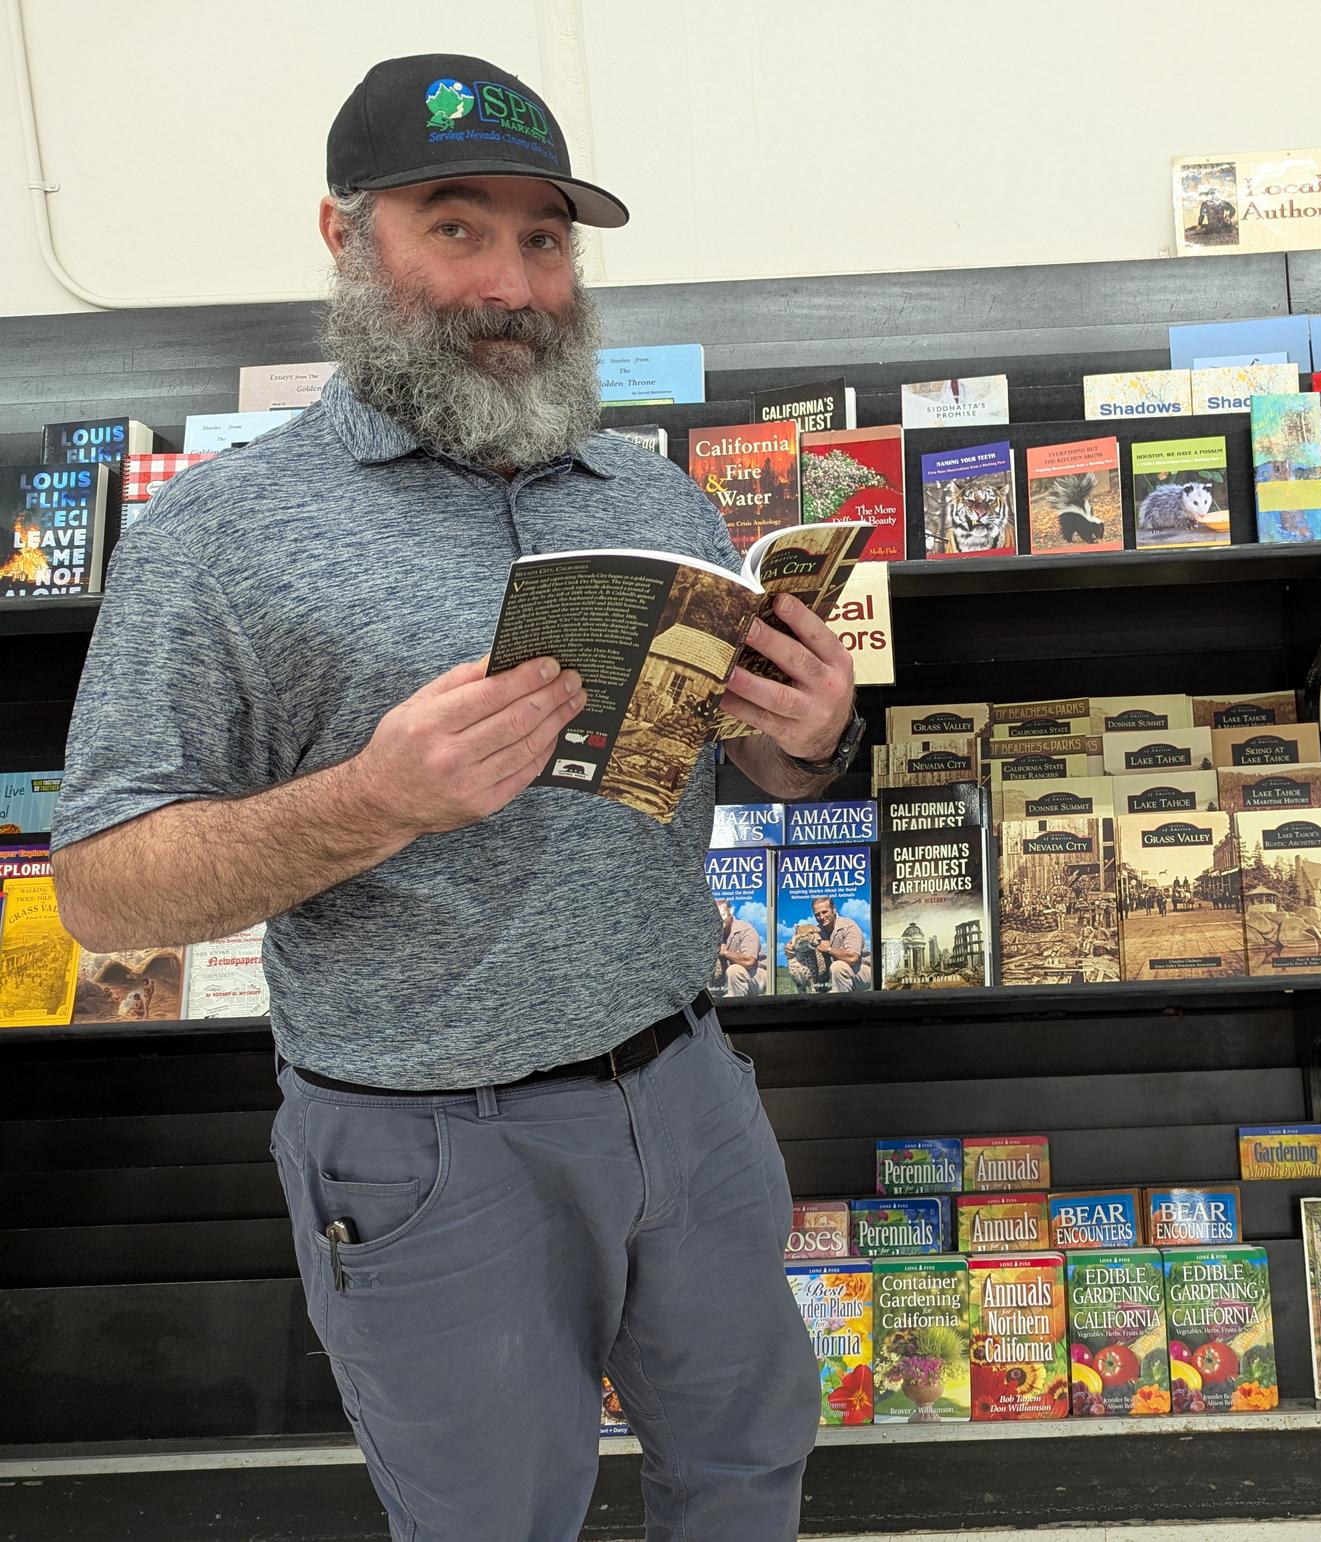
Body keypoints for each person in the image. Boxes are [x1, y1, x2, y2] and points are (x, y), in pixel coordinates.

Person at [47, 54, 868, 1542]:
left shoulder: (656, 500)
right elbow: (103, 890)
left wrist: (805, 739)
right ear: (344, 235)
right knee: (497, 1520)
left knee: (749, 1469)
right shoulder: (221, 535)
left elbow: (719, 765)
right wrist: (372, 798)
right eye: (455, 227)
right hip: (427, 1143)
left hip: (689, 1092)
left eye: (544, 238)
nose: (512, 281)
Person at [786, 895, 870, 992]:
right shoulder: (817, 930)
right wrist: (789, 947)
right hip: (833, 974)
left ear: (834, 909)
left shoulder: (849, 926)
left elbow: (853, 958)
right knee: (828, 976)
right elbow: (800, 941)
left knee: (837, 967)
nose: (821, 917)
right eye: (817, 914)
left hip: (860, 969)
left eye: (825, 912)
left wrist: (828, 949)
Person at [715, 898, 765, 996]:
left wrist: (725, 953)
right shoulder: (709, 934)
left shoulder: (745, 929)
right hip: (726, 981)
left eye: (722, 915)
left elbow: (749, 962)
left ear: (730, 914)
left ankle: (737, 1009)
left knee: (734, 971)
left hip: (756, 973)